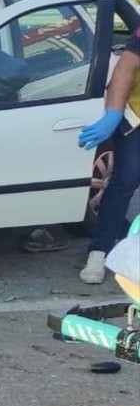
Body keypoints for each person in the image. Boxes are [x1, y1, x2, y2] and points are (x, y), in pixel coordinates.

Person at [78, 24, 140, 284]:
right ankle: (99, 251)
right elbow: (125, 68)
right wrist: (113, 114)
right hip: (136, 115)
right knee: (126, 178)